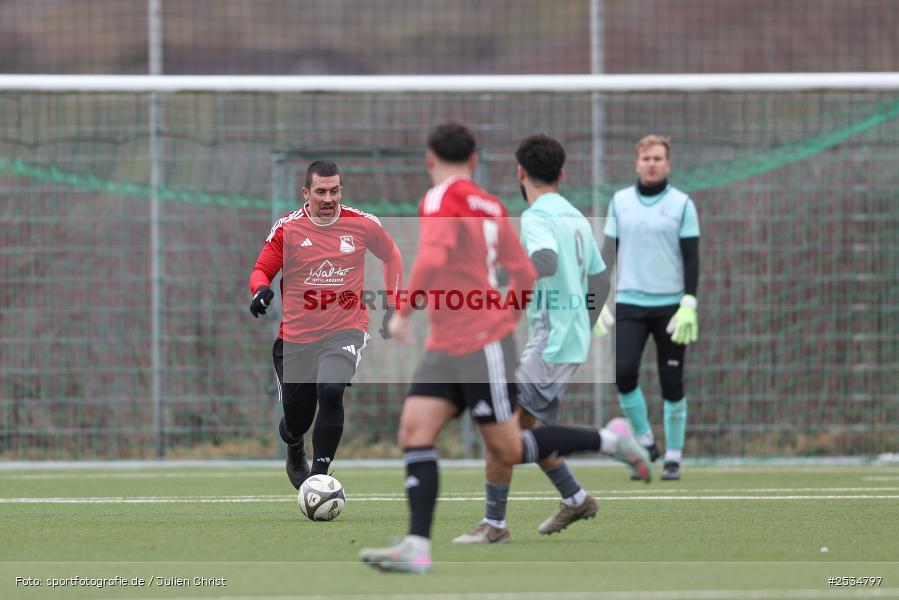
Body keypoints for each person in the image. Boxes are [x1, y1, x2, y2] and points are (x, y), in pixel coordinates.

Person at [359, 123, 651, 574]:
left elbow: (438, 258)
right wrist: (511, 316)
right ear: (476, 161)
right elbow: (527, 273)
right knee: (415, 430)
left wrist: (403, 311)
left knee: (509, 445)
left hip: (482, 345)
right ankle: (420, 545)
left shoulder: (443, 198)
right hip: (451, 342)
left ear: (429, 160)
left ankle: (610, 442)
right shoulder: (493, 206)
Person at [452, 134, 612, 544]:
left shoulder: (537, 216)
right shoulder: (575, 215)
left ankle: (494, 526)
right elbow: (600, 275)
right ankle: (575, 498)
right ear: (561, 173)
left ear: (520, 172)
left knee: (501, 428)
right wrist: (586, 315)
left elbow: (544, 261)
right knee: (525, 428)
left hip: (553, 341)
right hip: (562, 337)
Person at [248, 160, 403, 489]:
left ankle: (319, 478)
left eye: (334, 191)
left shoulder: (363, 225)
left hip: (344, 329)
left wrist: (394, 304)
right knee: (296, 420)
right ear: (306, 193)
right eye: (321, 191)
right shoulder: (288, 229)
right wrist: (260, 290)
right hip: (296, 338)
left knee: (331, 390)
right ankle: (293, 444)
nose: (328, 198)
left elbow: (392, 255)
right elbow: (261, 271)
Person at [599, 135, 701, 481]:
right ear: (636, 163)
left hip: (671, 307)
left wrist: (689, 301)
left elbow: (691, 257)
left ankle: (672, 457)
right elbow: (608, 252)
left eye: (658, 158)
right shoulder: (620, 202)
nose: (652, 164)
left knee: (672, 381)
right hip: (629, 301)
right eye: (646, 158)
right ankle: (645, 442)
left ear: (668, 164)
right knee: (624, 373)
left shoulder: (682, 204)